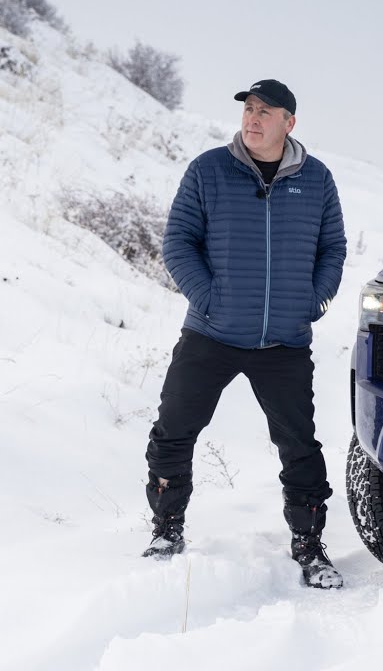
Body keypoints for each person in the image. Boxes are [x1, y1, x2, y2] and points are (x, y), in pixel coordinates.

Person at [142, 79, 347, 590]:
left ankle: (309, 545)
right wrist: (209, 300)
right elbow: (178, 243)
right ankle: (167, 529)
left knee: (299, 446)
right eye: (249, 109)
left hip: (284, 342)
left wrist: (314, 301)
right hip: (210, 333)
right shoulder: (208, 170)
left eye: (265, 111)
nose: (252, 119)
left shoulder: (316, 179)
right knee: (173, 430)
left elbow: (333, 248)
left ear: (289, 123)